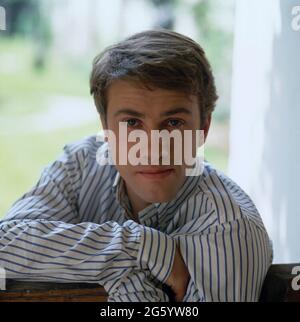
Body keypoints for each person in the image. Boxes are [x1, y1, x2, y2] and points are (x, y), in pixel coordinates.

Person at [0, 29, 273, 302]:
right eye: (132, 123)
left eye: (174, 123)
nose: (153, 150)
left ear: (203, 127)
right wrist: (141, 247)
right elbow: (5, 245)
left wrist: (116, 272)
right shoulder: (81, 165)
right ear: (106, 128)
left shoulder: (229, 228)